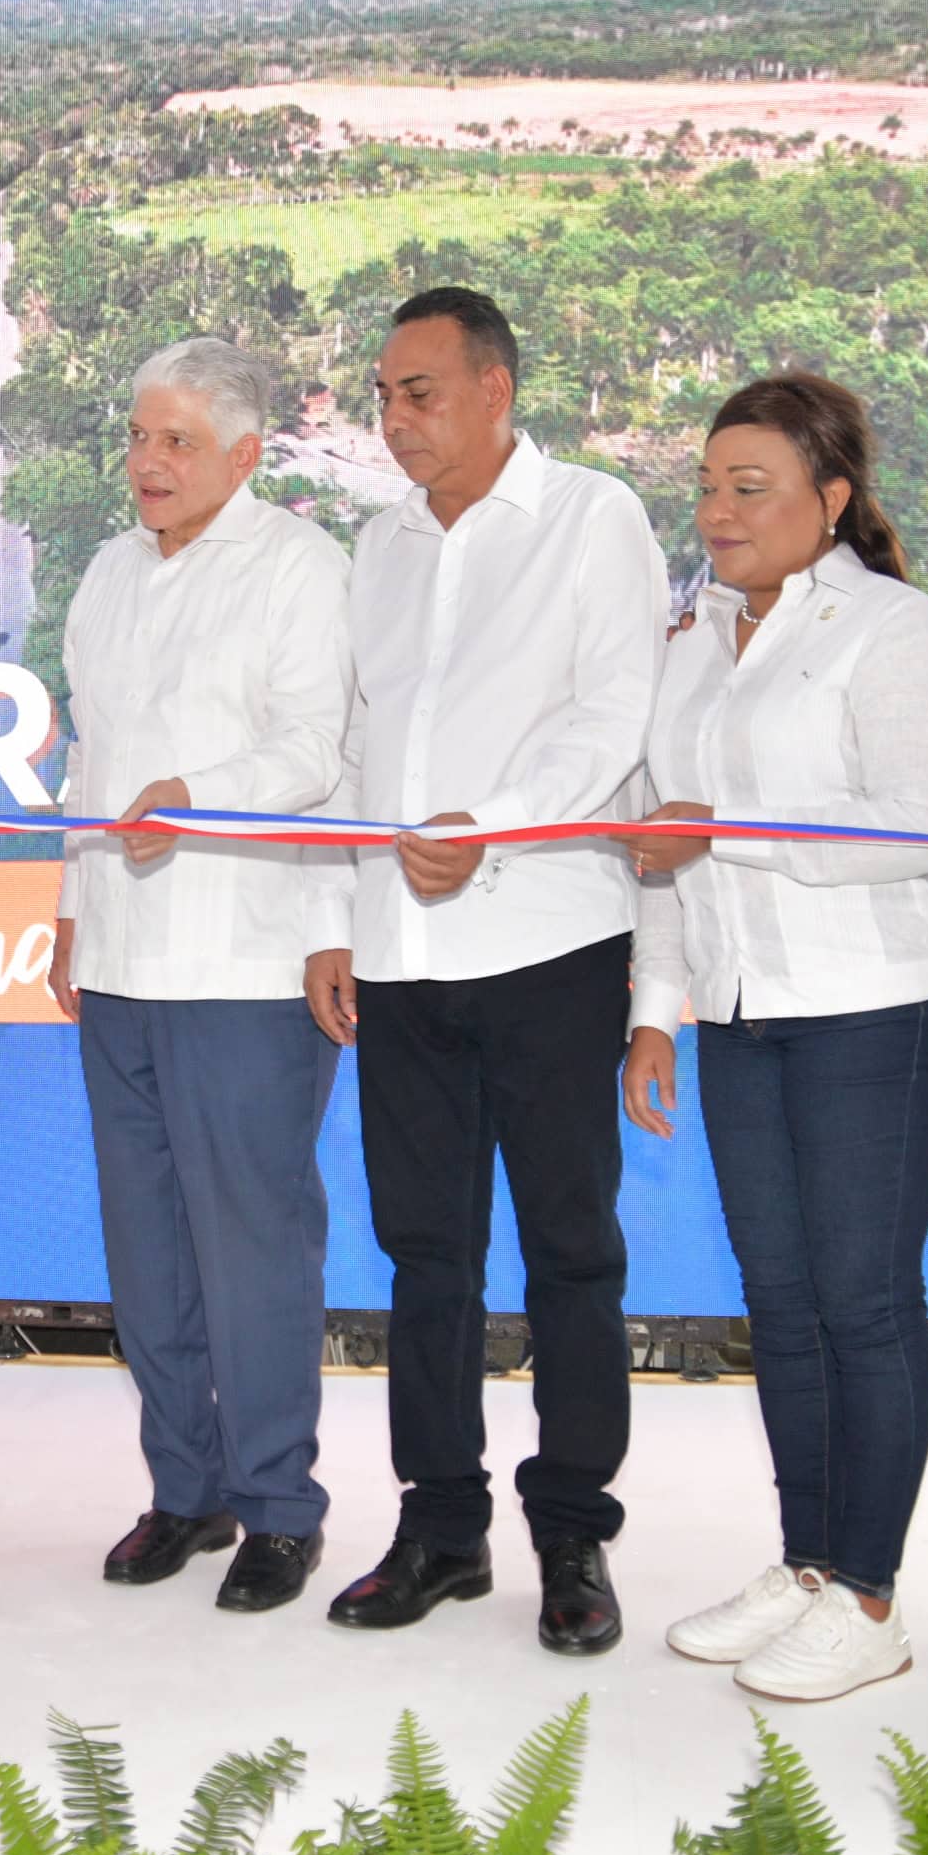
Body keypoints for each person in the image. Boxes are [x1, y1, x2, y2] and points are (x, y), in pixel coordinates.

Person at [306, 287, 666, 1655]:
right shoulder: (378, 546)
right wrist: (332, 918)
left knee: (573, 1252)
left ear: (498, 389)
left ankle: (573, 1535)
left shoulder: (591, 519)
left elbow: (614, 712)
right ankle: (440, 1525)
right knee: (424, 1255)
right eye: (384, 395)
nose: (395, 419)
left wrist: (492, 830)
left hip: (550, 942)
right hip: (399, 955)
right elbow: (356, 745)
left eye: (421, 391)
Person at [616, 376, 928, 1705]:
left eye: (749, 487)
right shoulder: (690, 639)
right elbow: (665, 839)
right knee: (783, 1300)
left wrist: (730, 831)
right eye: (707, 486)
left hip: (876, 1007)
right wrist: (659, 1014)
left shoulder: (896, 632)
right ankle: (810, 1563)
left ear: (831, 500)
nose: (717, 511)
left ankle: (870, 1594)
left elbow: (922, 827)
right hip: (741, 1014)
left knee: (864, 1298)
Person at [49, 337, 353, 1614]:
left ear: (245, 453)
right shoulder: (107, 576)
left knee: (255, 1249)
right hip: (117, 956)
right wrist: (68, 904)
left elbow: (313, 750)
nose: (148, 463)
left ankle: (281, 1506)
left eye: (178, 440)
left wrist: (197, 797)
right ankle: (187, 1489)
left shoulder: (301, 568)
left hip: (245, 956)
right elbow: (86, 760)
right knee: (149, 1251)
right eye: (137, 435)